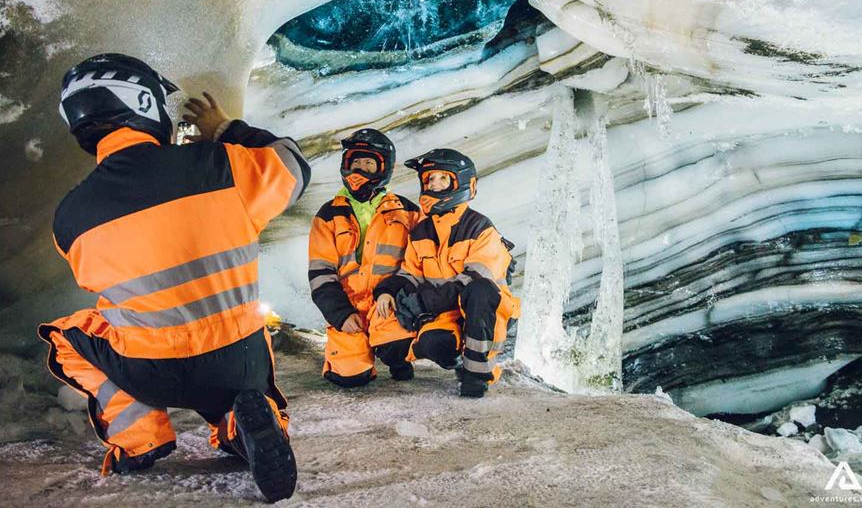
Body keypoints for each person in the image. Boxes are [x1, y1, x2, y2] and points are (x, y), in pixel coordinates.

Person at [38, 53, 307, 502]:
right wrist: (225, 130)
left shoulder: (69, 218)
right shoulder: (220, 165)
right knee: (239, 321)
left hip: (150, 372)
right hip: (237, 363)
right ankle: (241, 423)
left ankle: (141, 434)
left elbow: (94, 282)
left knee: (68, 334)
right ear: (142, 102)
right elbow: (293, 164)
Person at [373, 149, 521, 398]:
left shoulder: (480, 228)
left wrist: (423, 302)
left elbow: (474, 280)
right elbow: (411, 274)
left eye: (443, 179)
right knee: (427, 343)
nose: (434, 185)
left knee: (479, 290)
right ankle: (455, 359)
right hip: (447, 313)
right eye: (429, 179)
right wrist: (387, 291)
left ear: (463, 183)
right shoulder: (421, 231)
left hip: (488, 312)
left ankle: (476, 373)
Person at [308, 129, 420, 387]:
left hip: (390, 301)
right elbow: (320, 273)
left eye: (369, 163)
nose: (360, 170)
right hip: (349, 306)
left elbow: (420, 260)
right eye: (356, 162)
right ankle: (355, 353)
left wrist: (396, 292)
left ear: (383, 168)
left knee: (396, 347)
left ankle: (399, 357)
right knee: (348, 378)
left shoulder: (408, 211)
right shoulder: (327, 215)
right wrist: (341, 314)